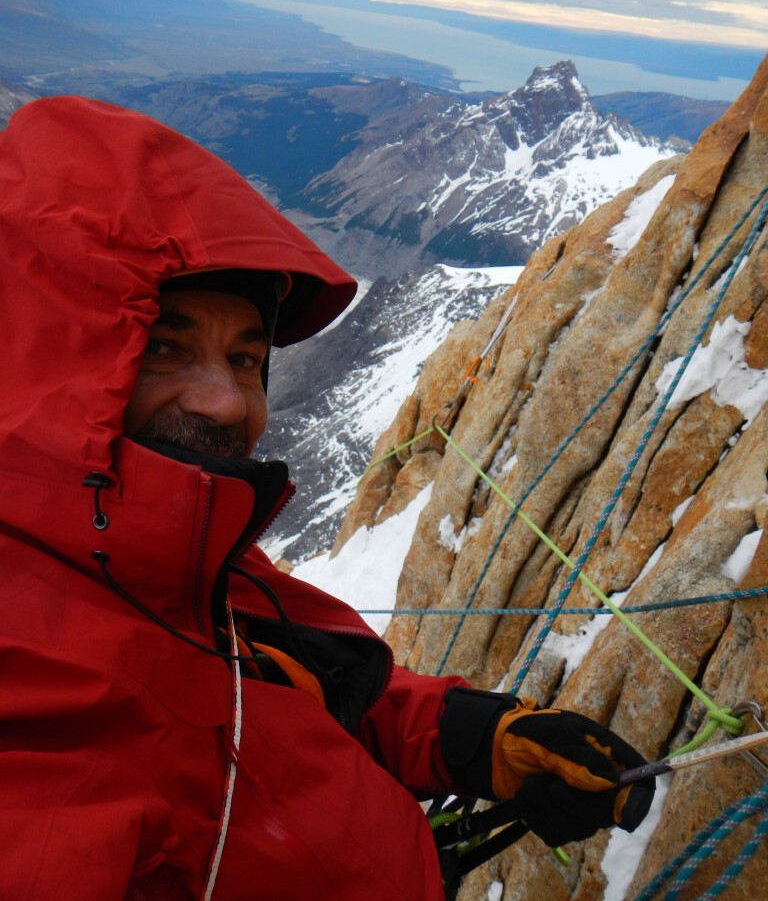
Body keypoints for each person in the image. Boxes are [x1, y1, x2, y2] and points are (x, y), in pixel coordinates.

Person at [0, 96, 654, 900]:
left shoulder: (180, 568)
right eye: (164, 348)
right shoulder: (32, 703)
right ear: (47, 362)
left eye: (245, 359)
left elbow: (295, 690)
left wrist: (473, 738)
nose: (227, 403)